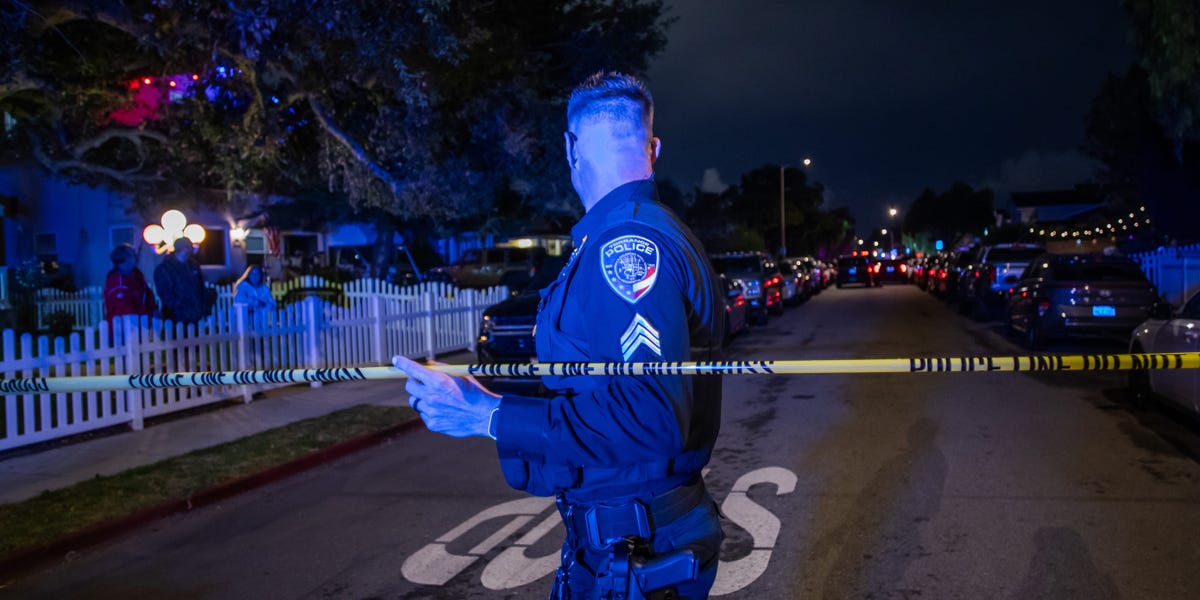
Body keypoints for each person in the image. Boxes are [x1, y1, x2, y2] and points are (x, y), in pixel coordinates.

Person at [394, 71, 725, 599]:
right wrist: (482, 398)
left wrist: (487, 416)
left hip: (639, 549)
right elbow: (598, 386)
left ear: (571, 148)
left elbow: (651, 418)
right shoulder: (636, 233)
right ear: (654, 149)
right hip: (623, 541)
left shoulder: (625, 244)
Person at [153, 237, 210, 325]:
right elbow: (164, 292)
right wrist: (175, 306)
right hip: (175, 315)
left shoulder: (193, 265)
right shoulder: (165, 268)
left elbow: (200, 287)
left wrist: (201, 305)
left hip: (194, 313)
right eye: (189, 247)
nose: (191, 250)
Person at [103, 244, 157, 321]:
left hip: (143, 323)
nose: (135, 256)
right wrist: (147, 314)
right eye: (131, 254)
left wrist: (153, 310)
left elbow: (147, 295)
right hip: (125, 325)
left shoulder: (137, 277)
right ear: (124, 260)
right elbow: (125, 311)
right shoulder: (118, 284)